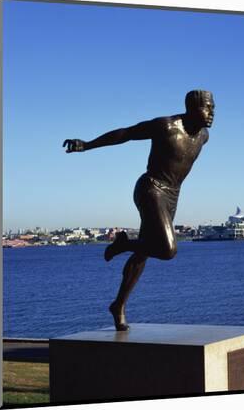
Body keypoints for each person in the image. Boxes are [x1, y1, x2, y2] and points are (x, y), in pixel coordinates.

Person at [63, 90, 215, 330]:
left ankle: (118, 305)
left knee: (144, 252)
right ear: (191, 108)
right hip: (150, 188)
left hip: (172, 196)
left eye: (213, 107)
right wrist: (87, 145)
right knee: (167, 250)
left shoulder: (204, 136)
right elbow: (127, 133)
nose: (212, 113)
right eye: (207, 107)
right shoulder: (165, 126)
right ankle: (123, 244)